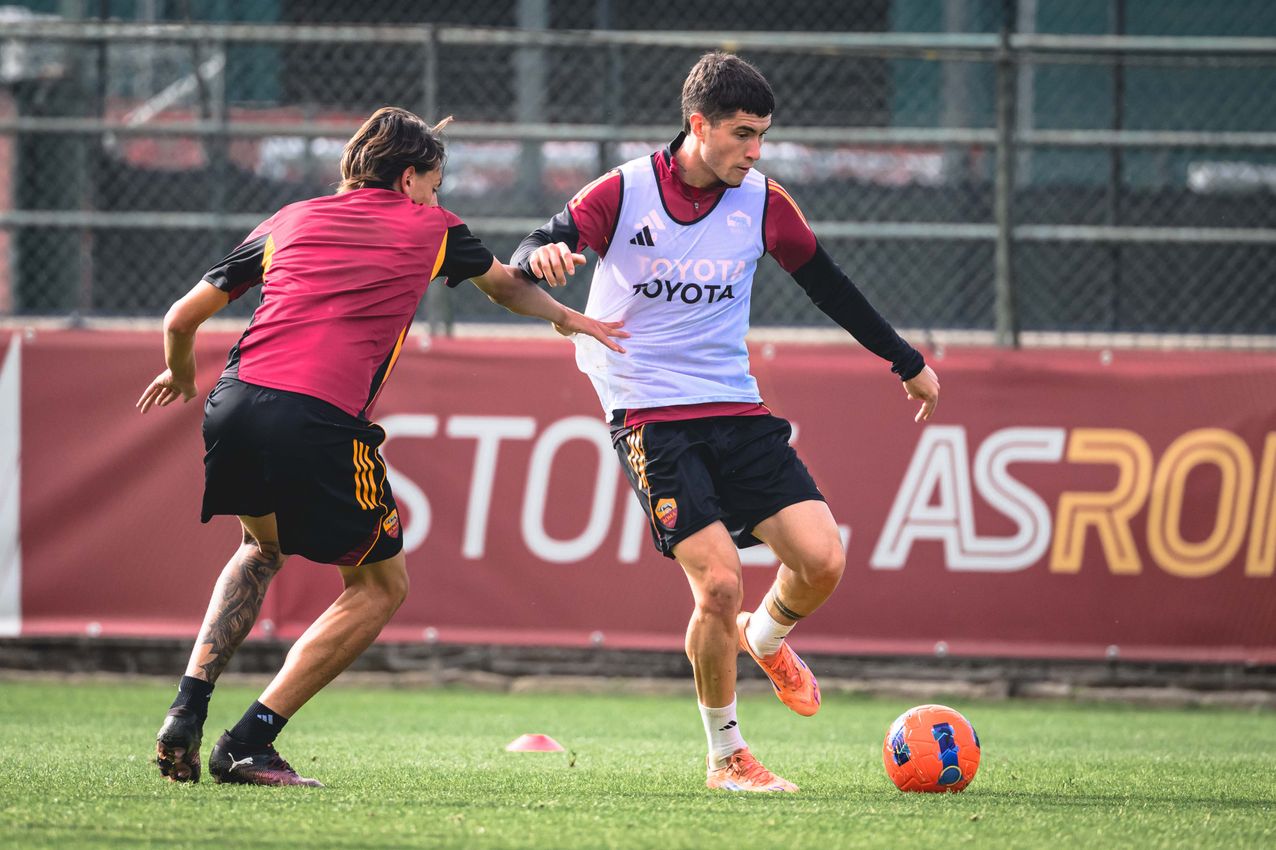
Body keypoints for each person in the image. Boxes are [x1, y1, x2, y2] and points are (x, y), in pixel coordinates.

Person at [139, 106, 627, 787]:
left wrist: (181, 373)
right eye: (433, 183)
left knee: (260, 549)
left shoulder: (289, 219)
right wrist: (572, 319)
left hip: (234, 404)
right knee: (380, 587)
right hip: (318, 418)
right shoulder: (433, 227)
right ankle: (249, 740)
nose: (435, 196)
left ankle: (186, 708)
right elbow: (508, 289)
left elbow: (180, 318)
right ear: (407, 180)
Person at [511, 53, 940, 793]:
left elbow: (828, 285)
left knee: (822, 562)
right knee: (717, 584)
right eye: (743, 133)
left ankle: (764, 639)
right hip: (649, 415)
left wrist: (905, 360)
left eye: (763, 134)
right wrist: (543, 255)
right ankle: (727, 757)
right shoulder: (624, 190)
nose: (756, 151)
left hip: (735, 407)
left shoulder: (764, 202)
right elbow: (529, 251)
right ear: (698, 125)